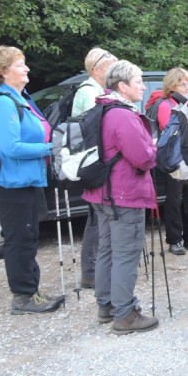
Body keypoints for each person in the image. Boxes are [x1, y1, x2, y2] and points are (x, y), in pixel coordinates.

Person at [0, 46, 64, 315]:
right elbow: (11, 147)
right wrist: (50, 149)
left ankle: (31, 291)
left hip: (26, 181)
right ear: (3, 71)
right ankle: (23, 297)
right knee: (20, 239)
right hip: (10, 184)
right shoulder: (3, 103)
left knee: (29, 237)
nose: (26, 68)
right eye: (20, 64)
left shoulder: (21, 99)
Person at [83, 60, 159, 334]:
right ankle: (125, 314)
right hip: (123, 195)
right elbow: (142, 158)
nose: (142, 86)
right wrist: (154, 148)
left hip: (101, 194)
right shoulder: (123, 115)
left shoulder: (102, 109)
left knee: (107, 250)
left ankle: (106, 305)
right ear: (122, 85)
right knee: (126, 253)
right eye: (138, 81)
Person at [144, 68, 188, 256]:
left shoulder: (185, 103)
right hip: (174, 160)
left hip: (187, 158)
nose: (187, 87)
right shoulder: (166, 105)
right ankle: (174, 240)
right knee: (174, 200)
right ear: (172, 85)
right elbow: (173, 133)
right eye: (183, 83)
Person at [71, 47, 117, 290]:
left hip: (95, 162)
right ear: (98, 69)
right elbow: (95, 131)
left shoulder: (96, 91)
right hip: (94, 164)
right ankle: (91, 271)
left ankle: (94, 270)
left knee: (97, 216)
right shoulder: (89, 93)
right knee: (96, 218)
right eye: (112, 65)